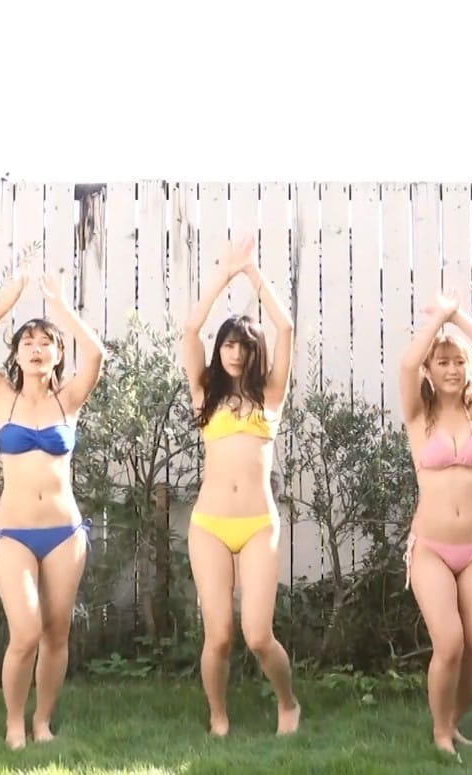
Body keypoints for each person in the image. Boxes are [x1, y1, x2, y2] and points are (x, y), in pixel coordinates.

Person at [0, 265, 104, 748]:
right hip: (14, 533)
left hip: (64, 533)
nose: (37, 348)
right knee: (25, 633)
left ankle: (42, 721)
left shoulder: (70, 400)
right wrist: (7, 302)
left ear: (58, 354)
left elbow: (97, 353)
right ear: (17, 355)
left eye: (46, 342)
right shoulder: (1, 396)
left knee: (56, 634)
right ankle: (13, 723)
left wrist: (61, 306)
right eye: (28, 342)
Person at [180, 237, 301, 737]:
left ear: (255, 352)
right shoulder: (205, 393)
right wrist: (223, 275)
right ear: (220, 350)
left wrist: (252, 274)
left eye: (244, 345)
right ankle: (218, 717)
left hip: (257, 527)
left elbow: (286, 327)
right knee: (219, 637)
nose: (235, 352)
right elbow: (191, 329)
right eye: (228, 344)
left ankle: (288, 703)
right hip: (209, 525)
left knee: (257, 635)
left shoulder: (270, 394)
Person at [397, 292, 472, 755]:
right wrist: (437, 321)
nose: (452, 369)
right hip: (432, 548)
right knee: (449, 644)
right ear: (430, 368)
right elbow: (406, 364)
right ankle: (441, 735)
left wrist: (459, 318)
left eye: (459, 361)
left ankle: (451, 721)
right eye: (442, 362)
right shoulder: (418, 417)